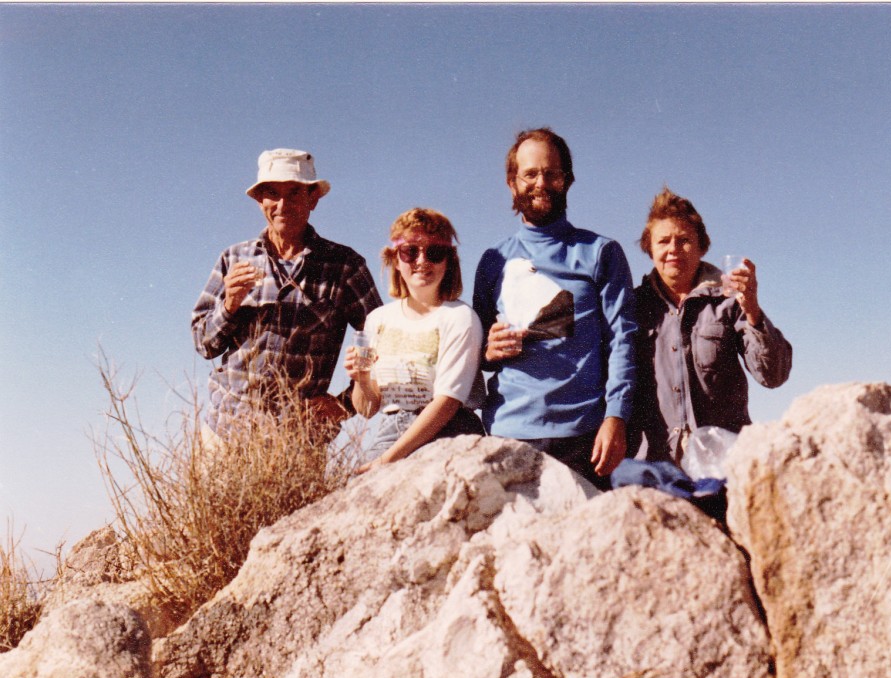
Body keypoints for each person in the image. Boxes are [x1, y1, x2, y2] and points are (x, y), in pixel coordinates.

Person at [473, 128, 637, 491]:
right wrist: (487, 349)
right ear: (512, 183)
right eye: (530, 174)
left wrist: (616, 418)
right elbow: (479, 350)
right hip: (509, 434)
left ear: (568, 180)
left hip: (585, 437)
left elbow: (623, 342)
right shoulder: (492, 260)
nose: (541, 183)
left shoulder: (601, 252)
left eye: (551, 173)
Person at [192, 148, 382, 446]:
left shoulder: (344, 265)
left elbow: (380, 337)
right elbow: (203, 344)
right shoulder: (234, 258)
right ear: (259, 200)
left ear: (313, 199)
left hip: (300, 440)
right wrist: (228, 305)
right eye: (272, 193)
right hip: (226, 432)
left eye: (294, 193)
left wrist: (344, 404)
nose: (282, 204)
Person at [627, 186, 792, 469]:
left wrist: (752, 308)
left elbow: (773, 375)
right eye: (663, 241)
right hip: (655, 466)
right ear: (649, 249)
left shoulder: (729, 301)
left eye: (684, 240)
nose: (673, 250)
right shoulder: (632, 306)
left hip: (722, 463)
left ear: (702, 247)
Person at [345, 208, 485, 469]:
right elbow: (366, 409)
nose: (422, 261)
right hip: (390, 432)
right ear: (396, 260)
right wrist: (362, 379)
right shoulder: (378, 319)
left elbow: (447, 402)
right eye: (410, 251)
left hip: (448, 432)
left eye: (434, 252)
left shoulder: (460, 317)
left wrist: (387, 460)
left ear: (448, 260)